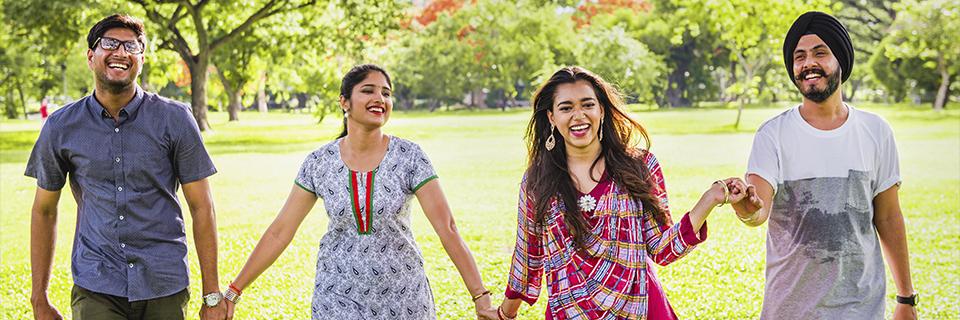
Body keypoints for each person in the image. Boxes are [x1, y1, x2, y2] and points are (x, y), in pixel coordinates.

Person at [222, 64, 497, 319]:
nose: (380, 98)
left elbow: (447, 227)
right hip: (337, 295)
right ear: (344, 102)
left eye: (386, 93)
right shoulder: (319, 162)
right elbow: (280, 231)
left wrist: (480, 296)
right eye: (368, 91)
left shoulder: (410, 157)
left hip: (404, 296)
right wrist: (234, 292)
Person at [496, 66, 749, 319]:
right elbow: (528, 255)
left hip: (642, 309)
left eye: (587, 104)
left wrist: (709, 200)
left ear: (602, 110)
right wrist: (505, 314)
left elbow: (662, 248)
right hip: (568, 311)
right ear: (551, 117)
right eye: (566, 107)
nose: (579, 115)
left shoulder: (639, 166)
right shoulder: (537, 181)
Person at [25, 14, 226, 320]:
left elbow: (202, 207)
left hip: (164, 284)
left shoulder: (175, 119)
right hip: (96, 283)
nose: (120, 52)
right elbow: (44, 210)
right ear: (91, 56)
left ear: (141, 60)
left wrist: (211, 295)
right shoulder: (61, 126)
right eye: (110, 44)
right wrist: (39, 297)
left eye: (131, 46)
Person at [731, 11, 918, 320]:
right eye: (799, 56)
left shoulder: (875, 131)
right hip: (790, 310)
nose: (808, 64)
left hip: (862, 309)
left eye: (820, 53)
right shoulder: (773, 134)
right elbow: (757, 209)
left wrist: (906, 299)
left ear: (840, 60)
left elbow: (887, 218)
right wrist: (746, 208)